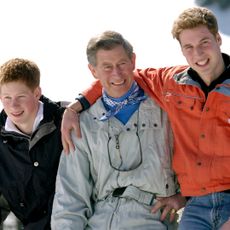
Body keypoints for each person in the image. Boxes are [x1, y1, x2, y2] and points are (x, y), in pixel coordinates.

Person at [61, 7, 230, 229]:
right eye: (189, 47)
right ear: (181, 50)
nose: (197, 54)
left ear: (218, 38)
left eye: (204, 43)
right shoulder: (171, 83)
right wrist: (75, 107)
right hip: (196, 206)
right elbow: (120, 76)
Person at [51, 31, 186, 230]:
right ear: (93, 70)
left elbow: (198, 156)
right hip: (98, 221)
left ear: (133, 61)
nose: (116, 73)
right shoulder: (83, 124)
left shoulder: (165, 111)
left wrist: (185, 196)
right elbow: (71, 194)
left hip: (153, 219)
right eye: (107, 67)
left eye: (122, 63)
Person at [0, 58, 66, 229]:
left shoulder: (65, 120)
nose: (13, 105)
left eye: (20, 96)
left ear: (37, 93)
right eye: (6, 97)